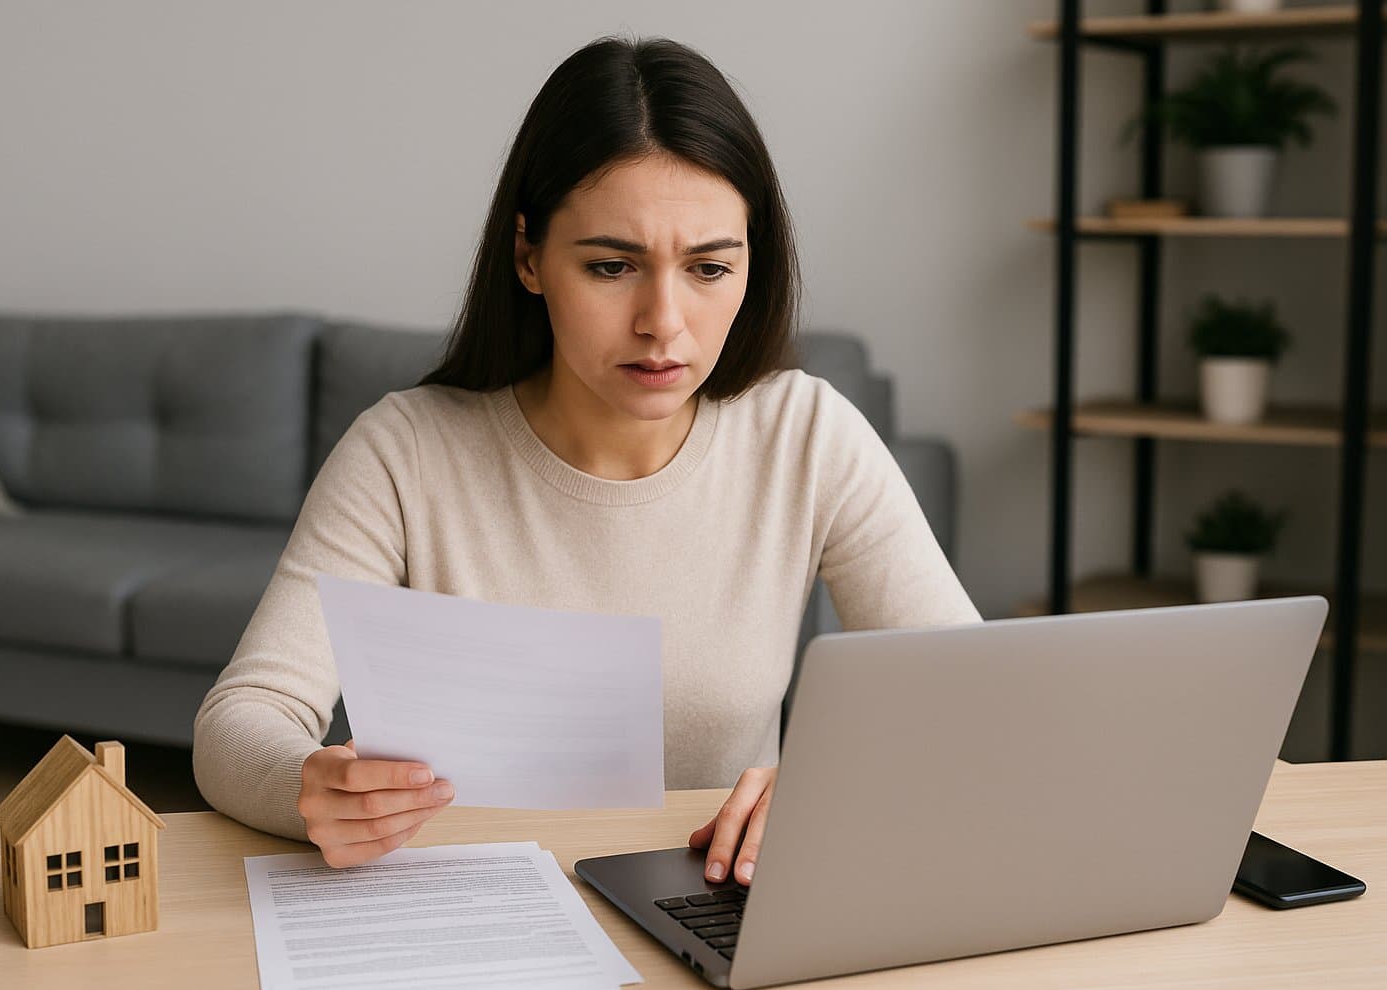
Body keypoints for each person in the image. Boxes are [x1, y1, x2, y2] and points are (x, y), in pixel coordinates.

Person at [192, 34, 979, 888]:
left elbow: (970, 703)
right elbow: (242, 720)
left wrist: (832, 791)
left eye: (710, 267)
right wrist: (312, 790)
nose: (664, 322)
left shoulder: (805, 435)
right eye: (612, 266)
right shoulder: (405, 451)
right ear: (528, 256)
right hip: (470, 907)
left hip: (712, 906)